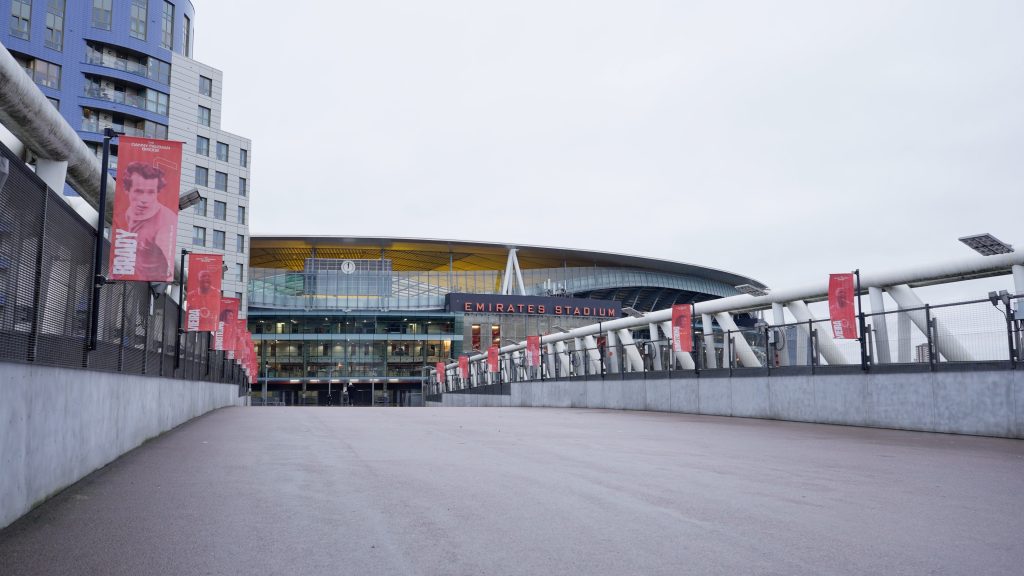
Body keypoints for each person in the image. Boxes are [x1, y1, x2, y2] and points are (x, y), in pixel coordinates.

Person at [119, 162, 176, 279]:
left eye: (151, 192)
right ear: (127, 190)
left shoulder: (166, 221)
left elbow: (169, 270)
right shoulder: (128, 212)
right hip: (130, 280)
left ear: (157, 192)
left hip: (148, 288)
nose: (144, 199)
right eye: (139, 191)